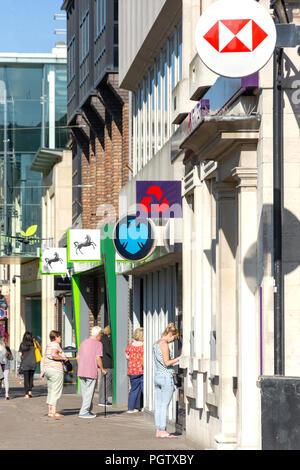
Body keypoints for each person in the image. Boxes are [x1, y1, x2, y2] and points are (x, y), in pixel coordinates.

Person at [153, 322, 181, 438]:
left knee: (159, 404)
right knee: (164, 404)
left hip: (158, 376)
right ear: (170, 334)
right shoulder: (164, 344)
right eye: (173, 338)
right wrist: (180, 358)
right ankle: (163, 430)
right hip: (165, 377)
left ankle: (159, 430)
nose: (173, 341)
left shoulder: (156, 343)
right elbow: (167, 362)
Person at [77, 326, 107, 419]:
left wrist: (81, 366)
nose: (101, 336)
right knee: (89, 392)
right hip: (91, 371)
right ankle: (84, 412)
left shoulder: (83, 342)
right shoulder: (98, 344)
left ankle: (88, 409)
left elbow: (78, 357)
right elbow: (98, 358)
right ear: (98, 334)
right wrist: (102, 369)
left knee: (85, 393)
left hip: (81, 370)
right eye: (101, 334)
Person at [40, 330, 68, 418]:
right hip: (56, 370)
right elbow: (53, 355)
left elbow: (43, 358)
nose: (61, 339)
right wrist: (63, 358)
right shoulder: (56, 345)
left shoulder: (48, 345)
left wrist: (42, 371)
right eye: (59, 337)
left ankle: (50, 411)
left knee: (51, 390)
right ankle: (53, 412)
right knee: (56, 391)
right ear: (55, 338)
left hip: (48, 370)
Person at [125, 327, 144, 414]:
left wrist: (132, 359)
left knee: (134, 389)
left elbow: (127, 356)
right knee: (142, 388)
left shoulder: (131, 345)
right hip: (141, 369)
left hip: (132, 370)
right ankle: (138, 406)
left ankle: (131, 408)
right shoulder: (144, 345)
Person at [98, 325, 113, 407]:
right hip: (107, 363)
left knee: (104, 382)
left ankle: (102, 399)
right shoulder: (106, 339)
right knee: (106, 382)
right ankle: (103, 400)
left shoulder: (102, 338)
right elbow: (108, 350)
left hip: (104, 362)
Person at [19, 331, 36, 398]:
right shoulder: (33, 344)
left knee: (26, 379)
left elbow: (20, 354)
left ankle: (26, 394)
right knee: (31, 378)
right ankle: (30, 391)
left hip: (25, 363)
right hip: (33, 363)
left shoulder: (22, 344)